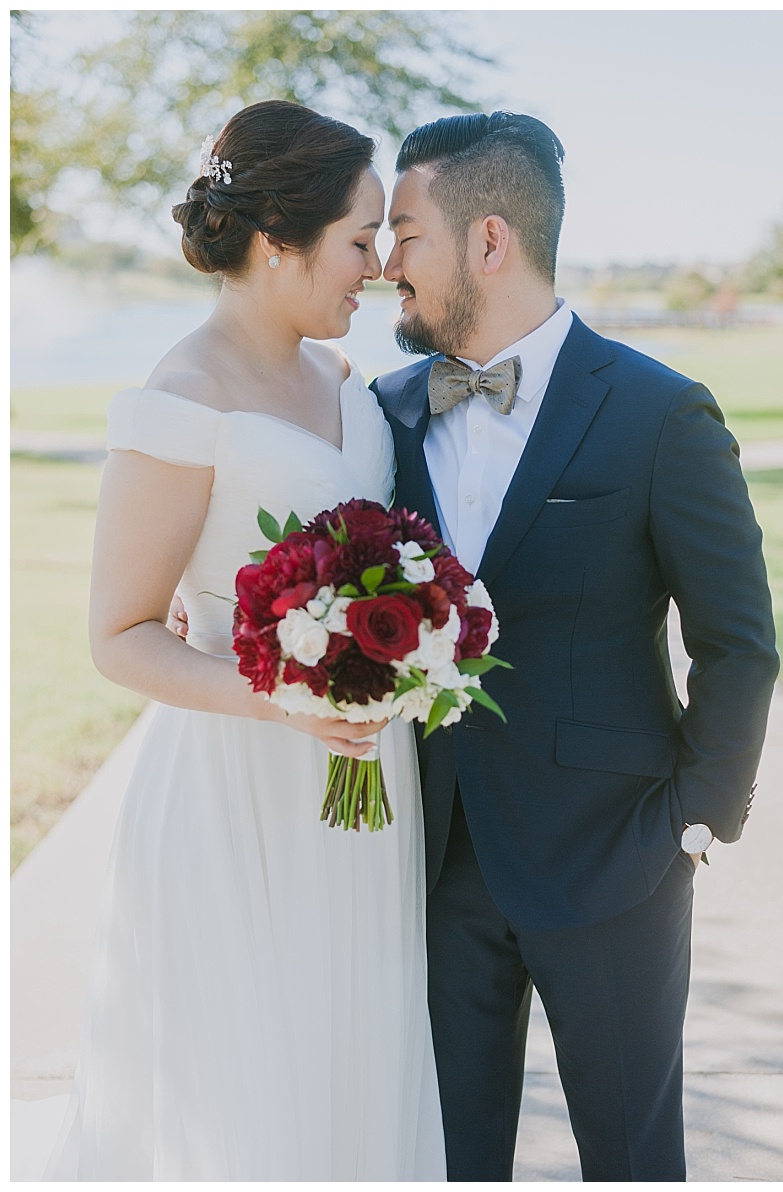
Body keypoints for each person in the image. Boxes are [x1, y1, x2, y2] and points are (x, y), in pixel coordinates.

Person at [31, 100, 446, 1181]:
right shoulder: (181, 396)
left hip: (366, 784)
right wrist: (282, 701)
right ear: (276, 241)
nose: (377, 266)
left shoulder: (343, 383)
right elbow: (119, 635)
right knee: (245, 1086)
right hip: (236, 786)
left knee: (350, 1054)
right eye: (359, 240)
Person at [366, 111, 779, 1181]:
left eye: (404, 233)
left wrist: (694, 823)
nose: (382, 261)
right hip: (438, 863)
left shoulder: (658, 412)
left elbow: (738, 643)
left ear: (486, 240)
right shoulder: (385, 415)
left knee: (633, 1159)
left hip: (617, 866)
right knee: (448, 1159)